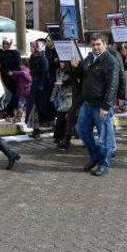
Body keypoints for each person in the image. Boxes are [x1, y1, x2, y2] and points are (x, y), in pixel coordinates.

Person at [70, 33, 119, 177]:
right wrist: (75, 67)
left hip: (101, 105)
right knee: (82, 130)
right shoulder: (90, 58)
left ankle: (104, 164)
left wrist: (106, 105)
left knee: (104, 136)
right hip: (87, 102)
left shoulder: (110, 61)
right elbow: (82, 73)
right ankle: (95, 156)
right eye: (93, 45)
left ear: (105, 44)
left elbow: (112, 86)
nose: (96, 47)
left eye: (98, 44)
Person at [26, 40, 54, 139]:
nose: (31, 49)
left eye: (33, 47)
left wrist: (41, 85)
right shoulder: (32, 57)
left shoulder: (43, 59)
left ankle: (47, 127)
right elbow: (31, 71)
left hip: (43, 87)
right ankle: (36, 130)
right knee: (34, 108)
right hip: (35, 85)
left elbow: (45, 73)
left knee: (42, 108)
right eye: (31, 47)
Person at [51, 62, 74, 145]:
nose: (61, 64)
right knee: (61, 117)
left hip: (69, 96)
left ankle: (63, 138)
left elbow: (71, 81)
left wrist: (63, 83)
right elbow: (57, 84)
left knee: (64, 117)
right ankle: (59, 137)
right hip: (60, 97)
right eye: (60, 62)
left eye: (63, 62)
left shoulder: (71, 71)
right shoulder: (58, 71)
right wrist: (53, 96)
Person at [0, 37, 21, 119]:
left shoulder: (15, 53)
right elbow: (2, 64)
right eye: (4, 43)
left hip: (14, 77)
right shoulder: (1, 52)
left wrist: (12, 72)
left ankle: (9, 110)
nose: (5, 45)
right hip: (5, 77)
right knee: (13, 94)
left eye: (7, 44)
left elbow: (17, 65)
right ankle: (10, 111)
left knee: (16, 94)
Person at [9, 58, 32, 124]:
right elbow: (17, 78)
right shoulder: (22, 71)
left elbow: (28, 77)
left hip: (27, 91)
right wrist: (13, 75)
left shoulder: (26, 71)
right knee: (21, 105)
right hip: (23, 92)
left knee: (23, 105)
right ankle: (18, 118)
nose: (20, 66)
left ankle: (23, 118)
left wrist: (14, 72)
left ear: (24, 65)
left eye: (21, 65)